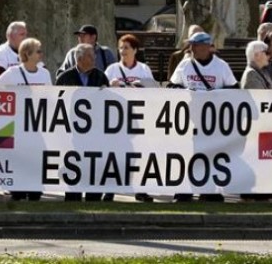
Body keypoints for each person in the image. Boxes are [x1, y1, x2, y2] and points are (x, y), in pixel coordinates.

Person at [168, 31, 238, 203]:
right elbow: (172, 86)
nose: (191, 48)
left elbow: (235, 89)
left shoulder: (221, 66)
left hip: (213, 121)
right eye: (191, 45)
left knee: (211, 154)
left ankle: (209, 191)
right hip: (189, 120)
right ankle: (185, 191)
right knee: (188, 155)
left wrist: (213, 95)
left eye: (195, 45)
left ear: (207, 47)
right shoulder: (185, 65)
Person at [0, 38, 51, 201]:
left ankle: (35, 189)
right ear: (27, 54)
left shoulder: (44, 73)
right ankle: (17, 189)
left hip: (36, 123)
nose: (41, 54)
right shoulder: (12, 73)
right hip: (18, 125)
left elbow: (50, 96)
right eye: (38, 51)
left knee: (36, 155)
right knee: (19, 156)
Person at [105, 34, 156, 203]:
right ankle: (109, 190)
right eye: (121, 48)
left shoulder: (143, 69)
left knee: (139, 155)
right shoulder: (112, 69)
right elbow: (101, 91)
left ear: (135, 50)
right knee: (114, 155)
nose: (123, 51)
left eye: (126, 47)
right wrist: (109, 86)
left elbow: (153, 90)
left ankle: (140, 189)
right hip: (116, 120)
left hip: (138, 119)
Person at [56, 43, 109, 202]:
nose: (94, 60)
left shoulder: (100, 77)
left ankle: (94, 198)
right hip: (72, 133)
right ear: (79, 58)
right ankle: (73, 198)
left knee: (94, 166)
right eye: (90, 57)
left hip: (95, 133)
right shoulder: (65, 78)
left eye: (94, 56)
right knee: (74, 166)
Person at [239, 40, 272, 202]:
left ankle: (262, 190)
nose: (269, 55)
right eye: (266, 52)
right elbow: (261, 100)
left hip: (262, 127)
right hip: (255, 127)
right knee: (254, 158)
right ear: (257, 55)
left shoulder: (260, 72)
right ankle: (252, 192)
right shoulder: (251, 75)